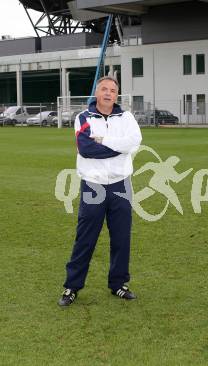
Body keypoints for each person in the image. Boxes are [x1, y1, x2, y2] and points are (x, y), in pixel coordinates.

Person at [58, 76, 142, 306]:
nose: (108, 93)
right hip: (93, 185)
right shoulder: (83, 117)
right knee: (85, 238)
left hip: (121, 184)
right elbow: (86, 148)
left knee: (121, 238)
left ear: (117, 95)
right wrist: (118, 147)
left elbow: (134, 141)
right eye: (104, 89)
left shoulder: (126, 117)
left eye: (112, 90)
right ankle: (71, 287)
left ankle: (119, 284)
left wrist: (104, 140)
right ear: (97, 92)